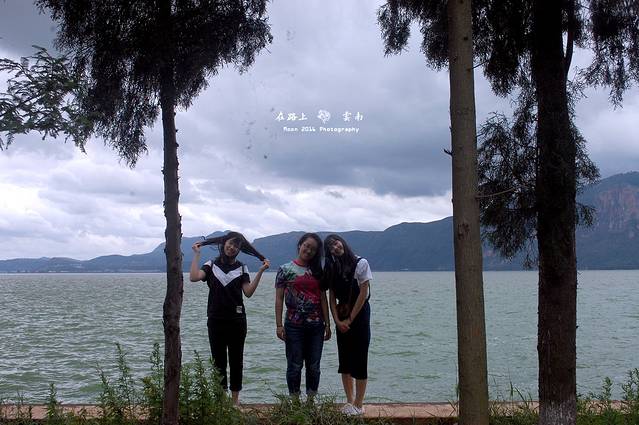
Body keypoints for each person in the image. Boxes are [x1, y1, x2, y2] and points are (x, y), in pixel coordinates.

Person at [189, 231, 270, 405]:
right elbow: (194, 277)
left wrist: (261, 271)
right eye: (230, 243)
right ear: (224, 243)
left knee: (236, 361)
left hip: (237, 321)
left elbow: (248, 292)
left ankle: (234, 403)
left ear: (239, 249)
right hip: (216, 320)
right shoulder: (211, 265)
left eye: (236, 246)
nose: (232, 247)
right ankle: (221, 402)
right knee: (218, 361)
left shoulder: (242, 268)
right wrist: (197, 255)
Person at [274, 232, 331, 401]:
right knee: (294, 365)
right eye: (306, 246)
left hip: (316, 326)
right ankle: (295, 402)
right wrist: (279, 325)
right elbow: (279, 299)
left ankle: (311, 401)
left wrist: (328, 324)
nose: (308, 250)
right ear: (300, 245)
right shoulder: (285, 269)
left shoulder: (318, 271)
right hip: (293, 325)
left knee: (314, 366)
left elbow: (323, 298)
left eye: (313, 249)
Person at [322, 234, 372, 416]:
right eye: (331, 248)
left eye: (336, 243)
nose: (335, 248)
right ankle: (349, 401)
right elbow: (331, 295)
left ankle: (359, 404)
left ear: (341, 242)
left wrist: (350, 320)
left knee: (360, 358)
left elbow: (363, 293)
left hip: (359, 315)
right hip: (341, 315)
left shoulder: (361, 263)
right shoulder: (333, 267)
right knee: (344, 360)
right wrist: (336, 320)